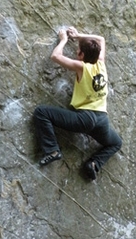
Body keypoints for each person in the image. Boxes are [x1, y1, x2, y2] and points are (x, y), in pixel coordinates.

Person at [33, 26, 122, 180]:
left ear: (81, 54)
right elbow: (101, 39)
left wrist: (64, 40)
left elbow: (55, 56)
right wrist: (80, 36)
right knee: (116, 143)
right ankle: (93, 164)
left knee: (41, 113)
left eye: (78, 50)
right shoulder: (101, 63)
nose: (76, 52)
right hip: (101, 120)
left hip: (84, 119)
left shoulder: (81, 67)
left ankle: (52, 150)